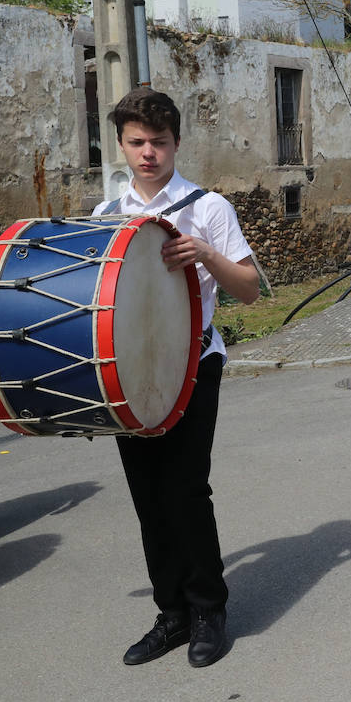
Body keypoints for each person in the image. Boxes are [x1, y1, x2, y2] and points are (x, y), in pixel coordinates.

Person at [96, 87, 259, 669]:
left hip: (194, 365)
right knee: (148, 498)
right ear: (120, 144)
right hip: (127, 375)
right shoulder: (105, 216)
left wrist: (205, 255)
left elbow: (249, 287)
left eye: (158, 143)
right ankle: (171, 614)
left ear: (176, 143)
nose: (148, 154)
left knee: (186, 491)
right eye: (137, 143)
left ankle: (209, 609)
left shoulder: (207, 207)